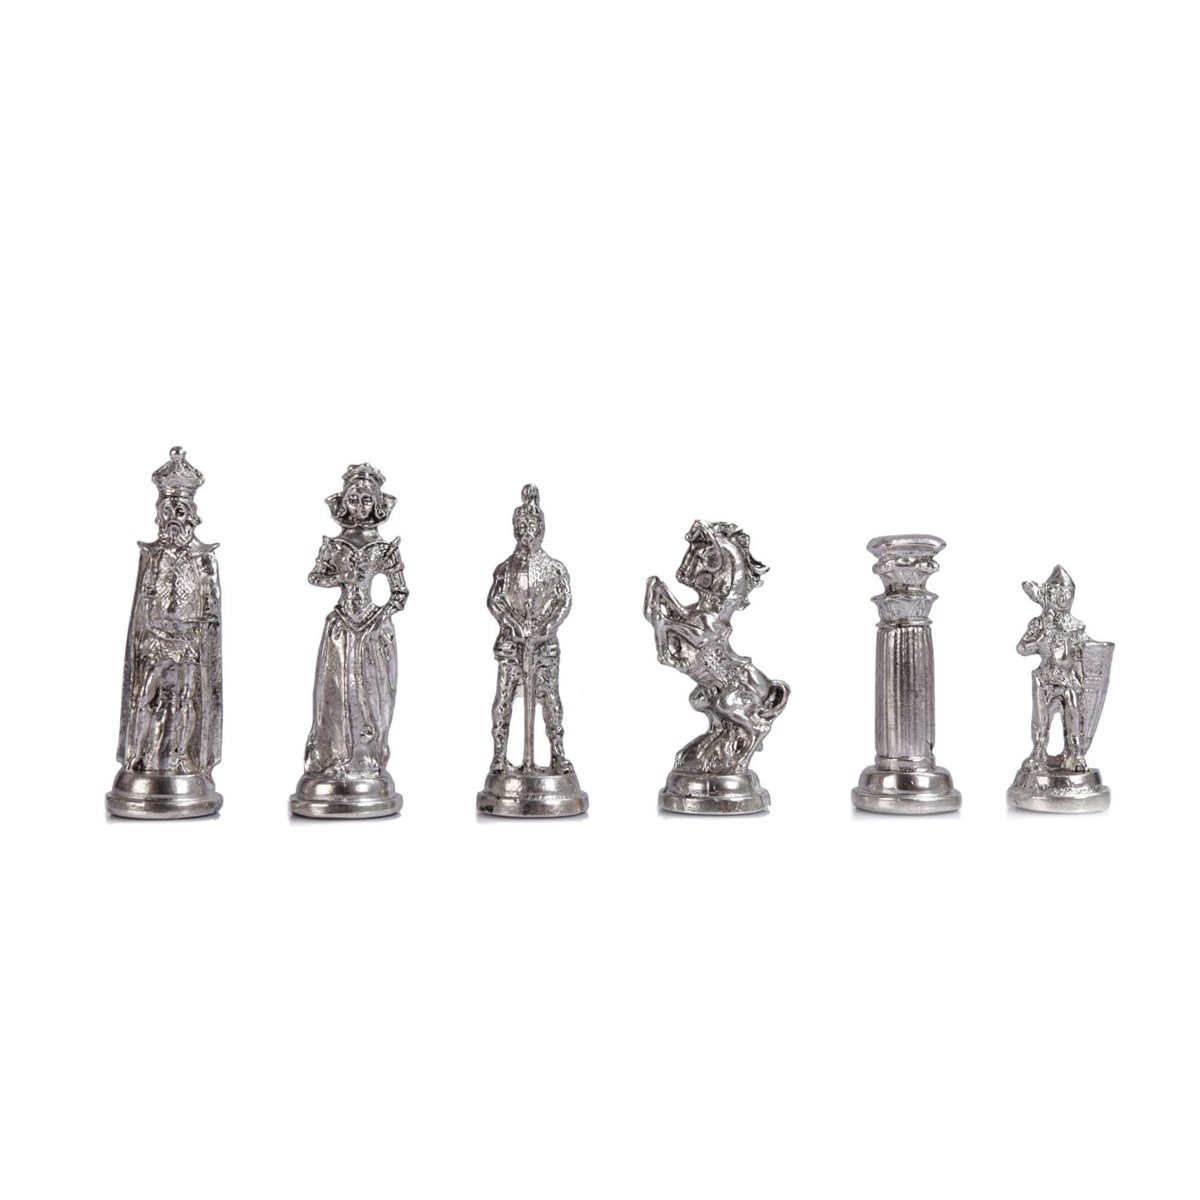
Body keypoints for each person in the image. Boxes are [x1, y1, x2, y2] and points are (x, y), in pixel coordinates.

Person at [119, 447, 222, 776]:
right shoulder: (152, 556)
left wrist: (196, 631)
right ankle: (139, 755)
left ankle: (181, 757)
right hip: (155, 641)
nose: (174, 518)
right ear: (160, 515)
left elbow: (210, 610)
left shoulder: (203, 558)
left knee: (187, 701)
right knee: (144, 696)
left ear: (192, 515)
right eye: (168, 511)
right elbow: (143, 606)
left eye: (181, 511)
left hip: (188, 644)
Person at [302, 463, 408, 780]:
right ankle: (334, 757)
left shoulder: (383, 550)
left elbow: (400, 592)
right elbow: (315, 576)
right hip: (342, 627)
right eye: (353, 500)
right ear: (343, 503)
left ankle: (367, 758)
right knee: (335, 692)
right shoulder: (334, 546)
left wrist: (381, 616)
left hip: (373, 630)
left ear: (377, 504)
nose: (359, 507)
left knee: (372, 696)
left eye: (365, 501)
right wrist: (340, 577)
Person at [487, 485, 573, 774]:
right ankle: (499, 755)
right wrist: (513, 623)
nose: (527, 532)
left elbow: (563, 601)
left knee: (551, 701)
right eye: (521, 526)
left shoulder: (554, 568)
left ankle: (558, 753)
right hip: (511, 646)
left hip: (544, 647)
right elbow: (495, 600)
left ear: (541, 528)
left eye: (532, 526)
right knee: (504, 700)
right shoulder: (504, 569)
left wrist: (546, 626)